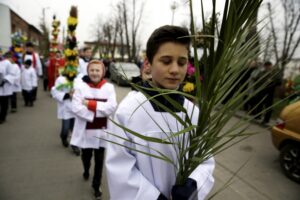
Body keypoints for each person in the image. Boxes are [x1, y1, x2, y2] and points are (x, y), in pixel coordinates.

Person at [105, 25, 215, 200]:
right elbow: (120, 169)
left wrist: (193, 185)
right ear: (148, 63)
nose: (175, 70)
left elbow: (205, 160)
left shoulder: (193, 112)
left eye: (182, 62)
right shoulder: (129, 111)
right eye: (166, 61)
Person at [70, 60, 117, 199]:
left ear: (102, 72)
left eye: (98, 70)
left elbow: (112, 107)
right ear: (88, 71)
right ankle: (85, 169)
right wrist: (98, 109)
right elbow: (76, 107)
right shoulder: (80, 87)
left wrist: (89, 104)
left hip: (102, 132)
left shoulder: (109, 88)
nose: (95, 73)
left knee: (99, 160)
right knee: (86, 157)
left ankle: (96, 185)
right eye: (92, 70)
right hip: (86, 132)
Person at [51, 70, 76, 150]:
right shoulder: (61, 80)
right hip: (66, 108)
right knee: (66, 128)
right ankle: (63, 137)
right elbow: (55, 91)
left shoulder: (78, 80)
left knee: (75, 128)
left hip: (76, 108)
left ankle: (75, 145)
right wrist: (67, 95)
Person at [0, 52, 15, 123]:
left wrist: (4, 80)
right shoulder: (5, 63)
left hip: (4, 86)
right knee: (3, 103)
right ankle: (2, 117)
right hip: (2, 86)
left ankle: (2, 117)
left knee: (4, 103)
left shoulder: (6, 63)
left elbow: (12, 74)